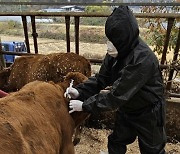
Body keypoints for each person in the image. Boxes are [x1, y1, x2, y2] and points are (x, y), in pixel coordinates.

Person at [65, 6, 166, 154]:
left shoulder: (142, 60)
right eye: (109, 40)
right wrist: (80, 92)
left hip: (148, 110)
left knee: (152, 150)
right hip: (127, 107)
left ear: (124, 40)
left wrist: (85, 105)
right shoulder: (116, 51)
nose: (109, 45)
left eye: (113, 41)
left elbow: (116, 96)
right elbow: (101, 79)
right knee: (117, 140)